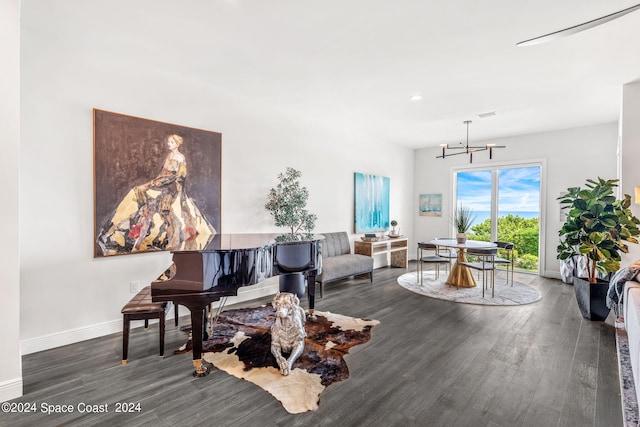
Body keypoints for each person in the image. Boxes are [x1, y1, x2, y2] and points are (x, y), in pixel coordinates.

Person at [97, 134, 215, 256]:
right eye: (169, 142)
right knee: (144, 204)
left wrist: (167, 185)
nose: (169, 144)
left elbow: (180, 176)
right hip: (162, 184)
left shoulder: (180, 157)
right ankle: (137, 241)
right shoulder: (170, 156)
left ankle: (170, 241)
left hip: (171, 187)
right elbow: (162, 173)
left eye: (172, 142)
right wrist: (153, 183)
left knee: (170, 215)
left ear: (178, 144)